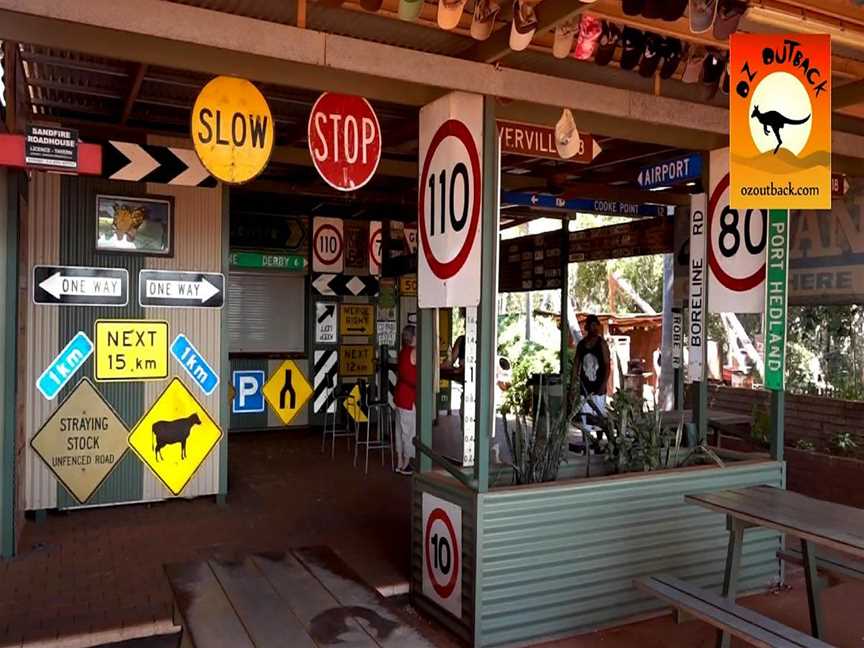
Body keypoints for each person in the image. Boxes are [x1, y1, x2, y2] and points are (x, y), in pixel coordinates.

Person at [571, 314, 611, 422]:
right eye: (592, 325)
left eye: (596, 325)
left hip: (599, 387)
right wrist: (573, 384)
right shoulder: (581, 345)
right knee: (585, 416)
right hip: (585, 388)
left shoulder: (602, 344)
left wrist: (604, 384)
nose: (594, 328)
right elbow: (576, 365)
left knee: (599, 416)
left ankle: (598, 437)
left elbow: (608, 365)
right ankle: (587, 437)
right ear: (587, 327)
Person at [394, 325, 417, 475]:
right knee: (409, 431)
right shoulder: (415, 352)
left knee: (399, 430)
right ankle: (406, 463)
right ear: (414, 337)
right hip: (409, 396)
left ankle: (399, 461)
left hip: (399, 394)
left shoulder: (402, 352)